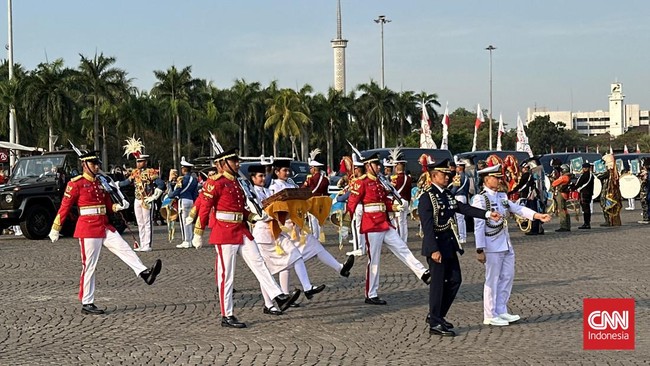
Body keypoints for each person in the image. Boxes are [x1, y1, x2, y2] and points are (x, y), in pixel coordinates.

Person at [192, 148, 300, 328]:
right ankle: (227, 314)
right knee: (227, 275)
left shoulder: (236, 182)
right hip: (224, 231)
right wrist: (198, 232)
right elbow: (205, 207)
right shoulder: (215, 183)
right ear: (222, 164)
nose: (238, 164)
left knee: (259, 262)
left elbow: (239, 208)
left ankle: (277, 296)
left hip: (241, 229)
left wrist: (253, 217)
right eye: (234, 161)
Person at [48, 150, 162, 315]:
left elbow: (108, 205)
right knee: (90, 266)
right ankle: (87, 302)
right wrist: (55, 228)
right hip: (88, 227)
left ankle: (144, 273)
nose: (97, 166)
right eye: (94, 164)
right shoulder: (76, 184)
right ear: (85, 165)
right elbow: (64, 207)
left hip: (104, 224)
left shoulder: (100, 182)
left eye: (97, 164)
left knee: (124, 248)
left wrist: (118, 207)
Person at [418, 159, 501, 336]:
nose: (447, 177)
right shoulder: (427, 197)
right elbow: (427, 226)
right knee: (438, 285)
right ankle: (434, 322)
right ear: (434, 176)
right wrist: (433, 250)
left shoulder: (446, 194)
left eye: (448, 174)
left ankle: (437, 315)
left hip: (449, 245)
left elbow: (462, 208)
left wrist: (486, 214)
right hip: (437, 247)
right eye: (443, 174)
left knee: (455, 280)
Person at [347, 152, 430, 306]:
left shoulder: (379, 182)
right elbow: (352, 203)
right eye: (376, 164)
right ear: (368, 166)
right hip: (371, 224)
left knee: (402, 248)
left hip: (384, 222)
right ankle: (371, 294)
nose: (379, 167)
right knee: (374, 260)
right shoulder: (361, 182)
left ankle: (423, 273)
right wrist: (349, 222)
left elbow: (385, 201)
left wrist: (396, 206)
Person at [472, 164, 551, 326]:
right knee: (492, 279)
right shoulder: (480, 199)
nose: (499, 180)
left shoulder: (501, 196)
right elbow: (479, 224)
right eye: (496, 178)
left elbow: (517, 208)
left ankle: (501, 309)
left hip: (505, 243)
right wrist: (479, 249)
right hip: (491, 244)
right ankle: (489, 314)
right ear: (487, 180)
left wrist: (536, 215)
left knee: (508, 276)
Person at [270, 158, 354, 294]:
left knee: (315, 246)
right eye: (284, 170)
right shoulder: (274, 188)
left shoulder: (290, 184)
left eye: (287, 170)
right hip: (285, 228)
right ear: (276, 172)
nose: (287, 173)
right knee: (287, 262)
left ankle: (340, 268)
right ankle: (286, 294)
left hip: (297, 226)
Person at [250, 164, 326, 314]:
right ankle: (268, 304)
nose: (263, 178)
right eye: (260, 176)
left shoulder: (267, 191)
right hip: (263, 234)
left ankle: (307, 287)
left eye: (264, 175)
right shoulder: (251, 193)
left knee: (296, 255)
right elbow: (258, 214)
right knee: (267, 272)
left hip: (277, 231)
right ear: (252, 178)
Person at [119, 152, 165, 252]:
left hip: (147, 199)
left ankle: (147, 244)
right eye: (137, 161)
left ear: (145, 162)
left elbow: (161, 184)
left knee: (147, 222)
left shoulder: (151, 172)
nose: (138, 163)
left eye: (140, 161)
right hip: (137, 199)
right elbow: (127, 182)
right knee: (140, 222)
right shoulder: (135, 172)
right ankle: (142, 243)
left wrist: (154, 196)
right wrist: (116, 184)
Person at [169, 157, 199, 248]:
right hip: (191, 201)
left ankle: (186, 240)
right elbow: (195, 193)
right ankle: (190, 239)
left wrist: (170, 194)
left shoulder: (181, 179)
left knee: (184, 222)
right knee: (189, 221)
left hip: (183, 200)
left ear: (183, 169)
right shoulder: (194, 180)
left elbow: (177, 190)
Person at [302, 149, 330, 241]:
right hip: (321, 202)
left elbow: (303, 189)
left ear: (314, 168)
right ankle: (319, 238)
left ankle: (315, 239)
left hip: (312, 202)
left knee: (313, 221)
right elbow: (326, 193)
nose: (310, 170)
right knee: (319, 221)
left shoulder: (310, 180)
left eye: (310, 168)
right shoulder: (325, 179)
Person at [391, 153, 412, 243]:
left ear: (396, 168)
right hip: (406, 201)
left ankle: (399, 240)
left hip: (397, 201)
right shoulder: (408, 178)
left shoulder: (395, 179)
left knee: (398, 222)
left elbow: (392, 191)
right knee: (404, 222)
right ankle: (404, 240)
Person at [598, 154, 622, 227]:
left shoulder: (610, 172)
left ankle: (608, 221)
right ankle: (612, 221)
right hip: (612, 193)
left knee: (605, 205)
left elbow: (601, 177)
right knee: (610, 206)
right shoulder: (614, 171)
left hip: (608, 192)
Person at [449, 160, 469, 244]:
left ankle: (461, 236)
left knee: (459, 218)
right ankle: (463, 235)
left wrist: (449, 195)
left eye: (457, 167)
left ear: (460, 167)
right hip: (464, 196)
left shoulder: (457, 177)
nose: (456, 168)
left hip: (458, 197)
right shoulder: (467, 176)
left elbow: (454, 189)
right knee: (462, 218)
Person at [573, 162, 595, 229]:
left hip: (584, 194)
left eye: (584, 168)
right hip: (589, 193)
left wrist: (573, 188)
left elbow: (579, 184)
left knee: (585, 209)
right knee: (587, 208)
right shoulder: (591, 176)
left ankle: (586, 223)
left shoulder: (584, 175)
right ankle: (587, 222)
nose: (583, 169)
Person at [551, 164, 572, 232]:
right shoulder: (568, 176)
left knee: (562, 210)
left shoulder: (564, 177)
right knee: (565, 210)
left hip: (561, 194)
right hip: (564, 194)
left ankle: (563, 226)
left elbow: (554, 183)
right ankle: (567, 225)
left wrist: (553, 179)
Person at [639, 158, 650, 224]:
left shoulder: (647, 174)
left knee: (646, 204)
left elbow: (646, 182)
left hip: (647, 192)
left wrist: (644, 178)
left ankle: (647, 218)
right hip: (647, 191)